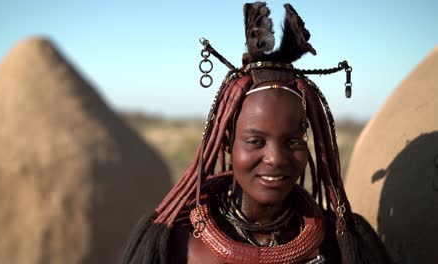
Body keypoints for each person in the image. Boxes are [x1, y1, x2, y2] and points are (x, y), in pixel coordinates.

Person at [122, 2, 391, 263]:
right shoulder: (177, 245)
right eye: (256, 141)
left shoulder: (338, 244)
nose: (275, 158)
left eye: (293, 141)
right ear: (228, 141)